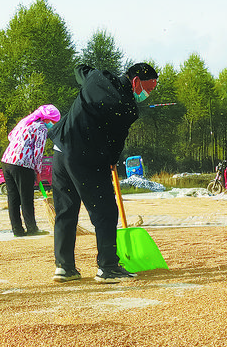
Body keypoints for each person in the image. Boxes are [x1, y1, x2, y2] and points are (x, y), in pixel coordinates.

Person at [48, 62, 158, 283]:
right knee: (105, 211)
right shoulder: (127, 107)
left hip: (60, 150)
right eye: (148, 88)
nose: (148, 94)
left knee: (66, 210)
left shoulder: (97, 77)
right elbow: (116, 140)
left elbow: (80, 68)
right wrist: (112, 161)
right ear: (136, 81)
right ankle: (108, 267)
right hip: (85, 156)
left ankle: (65, 267)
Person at [1, 105, 60, 237]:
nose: (53, 124)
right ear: (47, 119)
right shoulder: (41, 128)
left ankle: (17, 230)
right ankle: (32, 228)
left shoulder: (26, 122)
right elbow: (38, 151)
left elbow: (11, 137)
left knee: (13, 197)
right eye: (53, 121)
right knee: (26, 197)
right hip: (23, 163)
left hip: (7, 161)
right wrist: (38, 171)